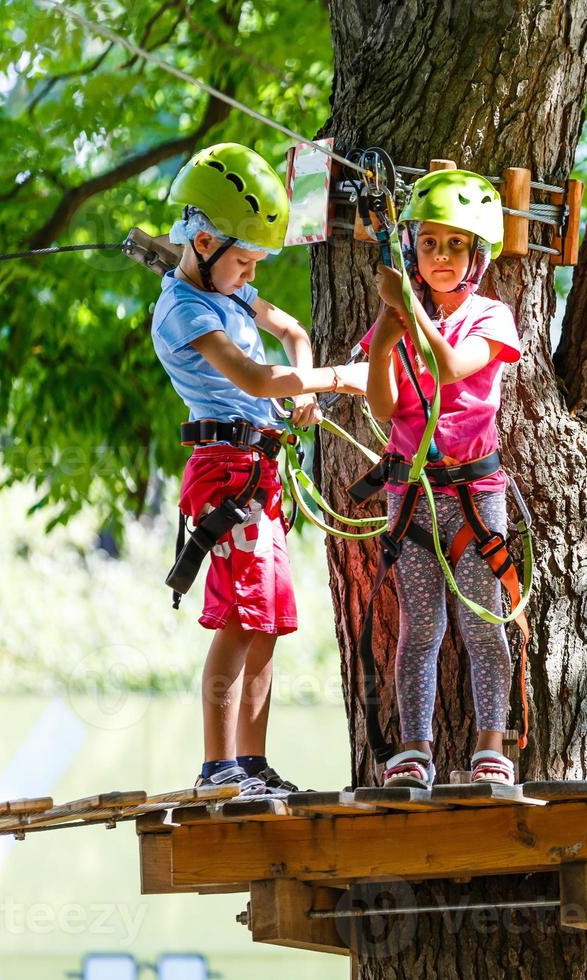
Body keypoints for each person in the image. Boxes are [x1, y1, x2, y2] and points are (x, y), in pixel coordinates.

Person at [152, 142, 365, 797]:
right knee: (242, 619)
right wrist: (339, 380)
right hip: (225, 472)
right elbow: (251, 375)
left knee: (267, 622)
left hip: (259, 471)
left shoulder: (232, 293)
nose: (250, 276)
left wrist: (302, 394)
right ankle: (218, 767)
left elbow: (293, 333)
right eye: (243, 261)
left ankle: (251, 762)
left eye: (254, 265)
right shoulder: (185, 310)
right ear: (207, 242)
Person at [359, 169, 523, 788]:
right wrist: (383, 337)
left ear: (477, 255)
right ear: (413, 251)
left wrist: (410, 314)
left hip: (473, 496)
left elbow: (452, 367)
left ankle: (488, 745)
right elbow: (382, 406)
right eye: (429, 244)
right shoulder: (400, 320)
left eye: (456, 245)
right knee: (419, 626)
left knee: (483, 618)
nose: (441, 256)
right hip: (412, 492)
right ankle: (414, 748)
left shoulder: (490, 317)